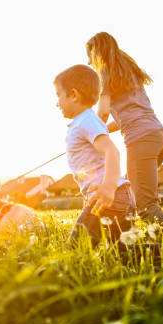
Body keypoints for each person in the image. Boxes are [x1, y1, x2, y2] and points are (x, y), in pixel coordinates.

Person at [86, 32, 163, 225]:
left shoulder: (104, 73)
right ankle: (127, 236)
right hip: (159, 136)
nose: (88, 62)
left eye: (89, 56)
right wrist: (105, 130)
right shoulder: (127, 71)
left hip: (142, 140)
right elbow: (124, 118)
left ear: (97, 54)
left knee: (147, 209)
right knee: (130, 192)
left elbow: (101, 113)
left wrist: (90, 134)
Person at [53, 64, 136, 247]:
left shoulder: (86, 121)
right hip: (120, 197)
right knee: (125, 255)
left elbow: (112, 151)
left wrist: (108, 187)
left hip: (108, 199)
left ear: (73, 95)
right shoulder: (86, 121)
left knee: (76, 251)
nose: (56, 102)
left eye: (58, 95)